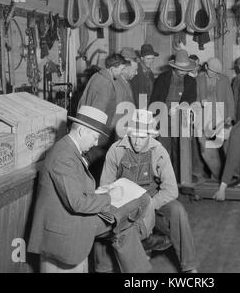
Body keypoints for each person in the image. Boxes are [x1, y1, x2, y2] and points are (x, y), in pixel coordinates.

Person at [27, 106, 152, 273]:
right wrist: (109, 196)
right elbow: (77, 203)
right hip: (65, 229)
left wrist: (98, 193)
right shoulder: (64, 156)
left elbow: (74, 189)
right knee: (127, 214)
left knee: (123, 223)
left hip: (70, 219)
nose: (96, 143)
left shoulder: (69, 149)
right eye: (95, 137)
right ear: (82, 131)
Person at [100, 109, 198, 273]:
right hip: (124, 201)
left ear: (150, 135)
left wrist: (150, 205)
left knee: (178, 211)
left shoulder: (159, 151)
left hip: (152, 198)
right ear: (128, 133)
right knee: (103, 219)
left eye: (143, 137)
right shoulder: (115, 150)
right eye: (134, 135)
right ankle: (105, 268)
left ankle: (189, 266)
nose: (137, 142)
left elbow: (171, 189)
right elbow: (105, 186)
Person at [150, 49, 197, 182]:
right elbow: (155, 99)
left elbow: (191, 98)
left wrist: (180, 107)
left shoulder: (191, 81)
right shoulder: (163, 78)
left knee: (180, 150)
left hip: (180, 119)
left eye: (186, 70)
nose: (183, 72)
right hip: (163, 119)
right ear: (175, 67)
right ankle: (163, 178)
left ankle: (177, 179)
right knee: (163, 149)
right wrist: (154, 117)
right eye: (181, 69)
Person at [195, 57, 235, 180]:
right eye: (212, 71)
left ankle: (224, 177)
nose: (215, 75)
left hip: (220, 118)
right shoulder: (198, 79)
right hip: (203, 118)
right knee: (205, 149)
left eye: (217, 73)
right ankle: (217, 175)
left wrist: (230, 116)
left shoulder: (224, 79)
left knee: (222, 148)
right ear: (206, 67)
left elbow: (230, 99)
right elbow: (193, 98)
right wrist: (199, 102)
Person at [131, 44, 159, 108]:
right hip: (139, 107)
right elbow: (135, 94)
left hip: (147, 106)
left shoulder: (150, 73)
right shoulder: (136, 72)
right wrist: (142, 110)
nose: (151, 61)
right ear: (142, 58)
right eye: (148, 59)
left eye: (152, 59)